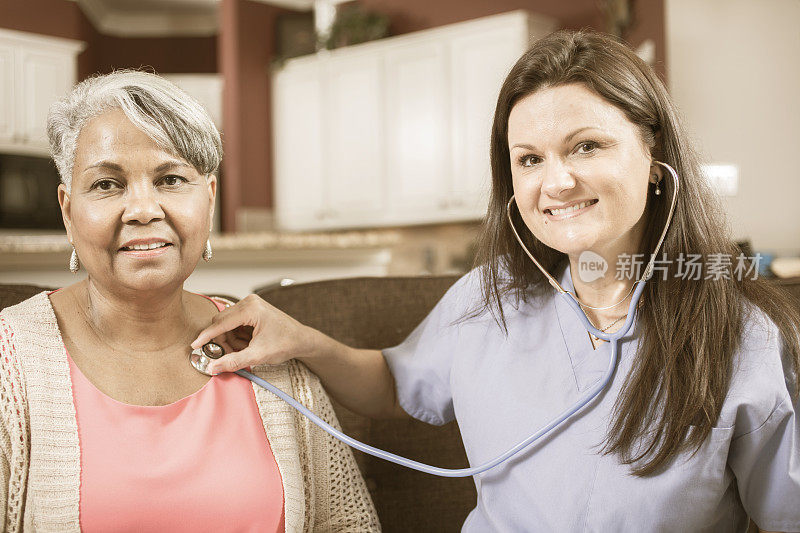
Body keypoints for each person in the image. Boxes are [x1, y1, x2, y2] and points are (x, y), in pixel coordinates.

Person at [192, 30, 800, 532]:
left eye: (586, 146)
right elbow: (395, 388)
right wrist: (301, 340)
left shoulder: (745, 336)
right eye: (529, 159)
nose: (555, 182)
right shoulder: (488, 298)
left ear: (654, 159)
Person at [0, 70, 379, 532]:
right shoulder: (10, 361)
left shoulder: (270, 353)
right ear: (67, 209)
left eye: (172, 179)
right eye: (107, 184)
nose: (143, 209)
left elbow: (347, 524)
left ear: (210, 199)